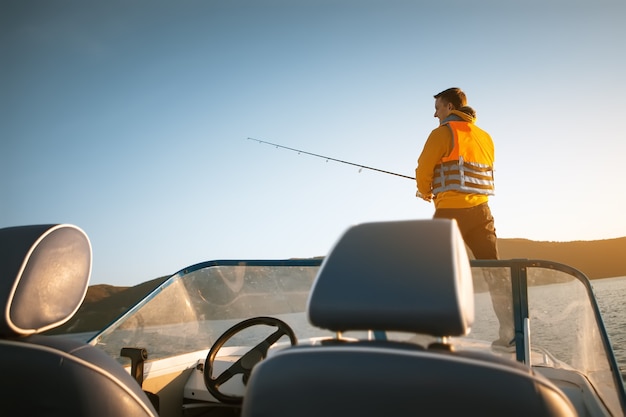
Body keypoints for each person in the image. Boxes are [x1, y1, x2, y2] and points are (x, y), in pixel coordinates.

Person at [415, 87, 514, 348]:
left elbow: (423, 167)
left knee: (434, 272)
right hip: (482, 213)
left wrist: (424, 191)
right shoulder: (485, 137)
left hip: (450, 214)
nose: (435, 114)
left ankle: (434, 334)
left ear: (449, 107)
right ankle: (511, 333)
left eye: (437, 107)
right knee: (495, 273)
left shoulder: (442, 133)